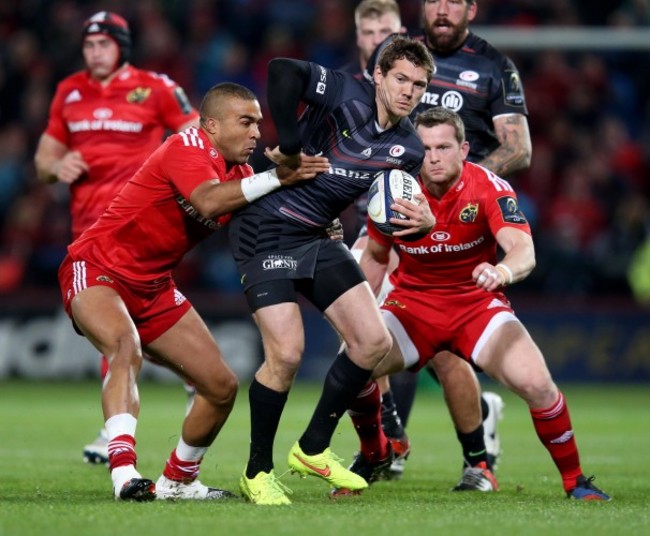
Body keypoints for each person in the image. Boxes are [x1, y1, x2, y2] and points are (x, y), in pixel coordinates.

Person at [56, 81, 330, 501]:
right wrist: (277, 176)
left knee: (220, 386)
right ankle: (124, 475)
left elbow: (266, 219)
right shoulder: (186, 145)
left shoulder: (240, 175)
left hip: (154, 287)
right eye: (246, 121)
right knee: (124, 347)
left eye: (259, 123)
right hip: (97, 269)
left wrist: (315, 221)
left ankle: (178, 481)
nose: (257, 132)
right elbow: (207, 201)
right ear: (212, 125)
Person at [337, 106, 610, 501]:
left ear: (463, 149)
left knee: (537, 384)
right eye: (425, 147)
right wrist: (355, 313)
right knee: (352, 361)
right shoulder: (397, 189)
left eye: (443, 147)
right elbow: (377, 257)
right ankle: (375, 453)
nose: (433, 156)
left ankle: (575, 481)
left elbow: (523, 249)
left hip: (475, 307)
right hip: (412, 307)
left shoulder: (489, 187)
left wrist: (502, 272)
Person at [229, 36, 435, 505]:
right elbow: (282, 68)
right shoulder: (346, 93)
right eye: (400, 78)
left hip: (319, 238)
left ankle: (313, 447)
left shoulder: (408, 148)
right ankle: (257, 471)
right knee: (286, 355)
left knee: (373, 341)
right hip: (265, 229)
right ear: (379, 75)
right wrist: (292, 144)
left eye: (419, 85)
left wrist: (423, 225)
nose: (408, 91)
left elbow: (397, 218)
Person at [362, 0, 534, 480]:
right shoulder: (403, 60)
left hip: (459, 223)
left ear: (471, 9)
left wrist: (456, 187)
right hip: (391, 216)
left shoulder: (493, 66)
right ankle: (391, 437)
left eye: (453, 1)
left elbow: (518, 147)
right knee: (361, 324)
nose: (442, 9)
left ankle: (471, 453)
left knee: (442, 347)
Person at [33, 11, 200, 466]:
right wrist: (57, 165)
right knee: (121, 337)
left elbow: (197, 137)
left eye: (103, 44)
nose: (94, 52)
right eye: (88, 46)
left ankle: (116, 435)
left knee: (122, 336)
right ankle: (187, 375)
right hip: (86, 232)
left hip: (138, 230)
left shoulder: (157, 88)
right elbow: (44, 157)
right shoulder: (69, 91)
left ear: (121, 47)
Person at [341, 0, 404, 78]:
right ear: (358, 38)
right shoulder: (340, 85)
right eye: (369, 33)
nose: (376, 41)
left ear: (401, 34)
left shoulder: (419, 79)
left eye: (384, 31)